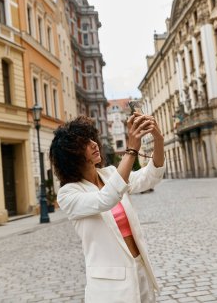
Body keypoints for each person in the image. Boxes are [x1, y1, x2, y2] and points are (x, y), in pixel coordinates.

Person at [49, 113, 165, 303]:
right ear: (72, 155)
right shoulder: (68, 194)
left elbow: (150, 177)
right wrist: (131, 151)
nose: (94, 144)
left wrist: (158, 139)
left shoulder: (111, 174)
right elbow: (106, 199)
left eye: (92, 138)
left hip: (140, 272)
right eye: (84, 143)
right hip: (110, 289)